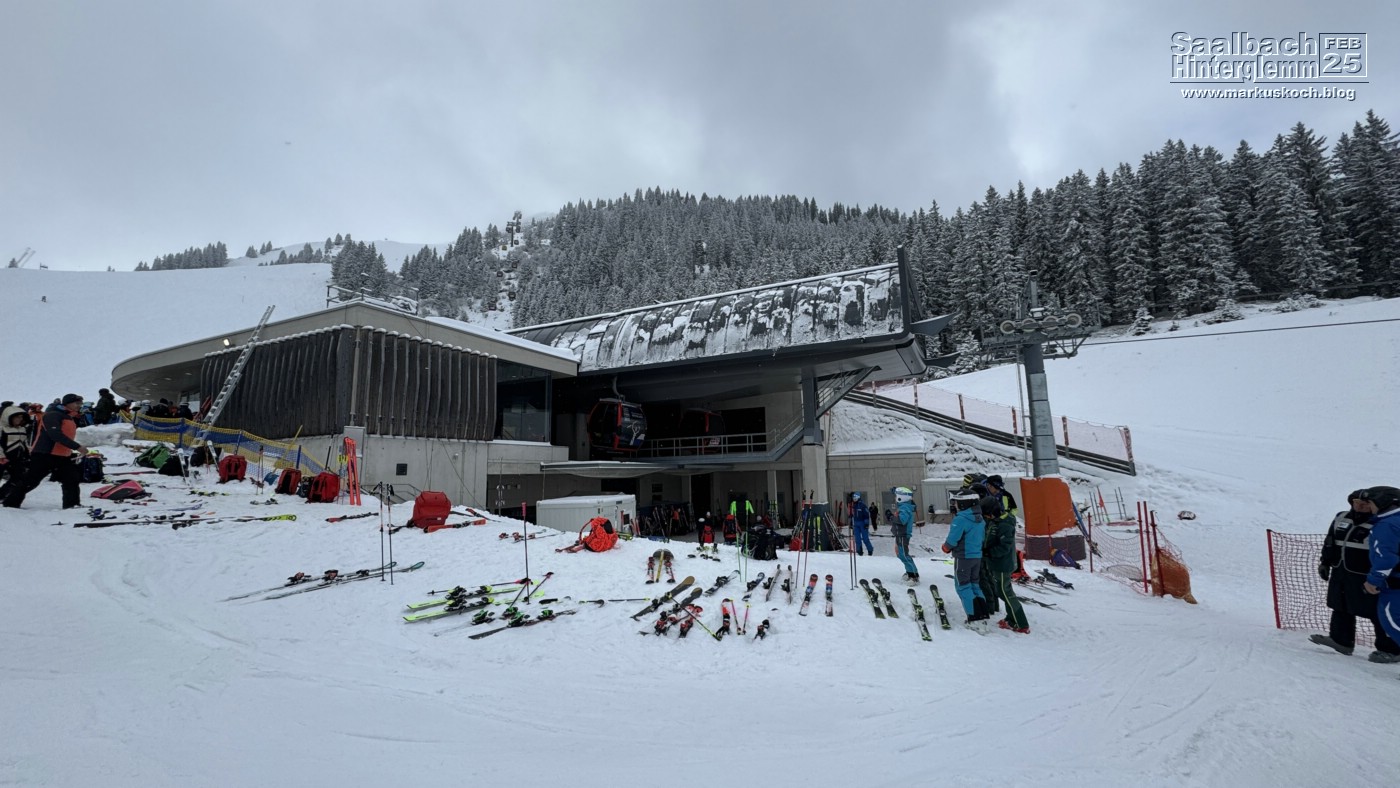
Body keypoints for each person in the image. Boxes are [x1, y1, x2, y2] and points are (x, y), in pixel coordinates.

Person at [1311, 490, 1399, 661]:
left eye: (1365, 504)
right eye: (1356, 502)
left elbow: (1385, 552)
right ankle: (1341, 640)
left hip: (1366, 574)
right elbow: (1330, 541)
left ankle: (1390, 649)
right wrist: (1325, 562)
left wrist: (1377, 576)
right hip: (1341, 570)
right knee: (1340, 604)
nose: (1360, 506)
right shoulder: (1341, 518)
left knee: (1376, 611)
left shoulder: (1379, 523)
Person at [2, 394, 89, 510]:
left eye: (80, 403)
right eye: (77, 403)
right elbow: (55, 434)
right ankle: (10, 502)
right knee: (31, 480)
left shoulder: (68, 416)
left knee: (71, 478)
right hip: (44, 454)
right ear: (67, 403)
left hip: (62, 455)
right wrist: (77, 447)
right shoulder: (53, 415)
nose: (79, 406)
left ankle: (72, 505)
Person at [982, 495, 1029, 634]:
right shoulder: (996, 521)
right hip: (996, 563)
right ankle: (1011, 618)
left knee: (1005, 593)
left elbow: (1004, 547)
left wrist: (988, 552)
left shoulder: (1005, 525)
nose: (986, 517)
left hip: (1003, 564)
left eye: (987, 514)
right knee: (1002, 592)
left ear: (993, 512)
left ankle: (1021, 623)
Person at [943, 489, 989, 628]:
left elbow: (953, 539)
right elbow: (982, 538)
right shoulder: (980, 519)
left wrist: (946, 547)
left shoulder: (961, 519)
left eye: (957, 502)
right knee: (974, 585)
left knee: (962, 586)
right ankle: (982, 615)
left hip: (963, 557)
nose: (955, 505)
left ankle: (974, 618)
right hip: (976, 557)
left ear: (964, 504)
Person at [1363, 486, 1400, 654]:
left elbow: (1386, 557)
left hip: (1395, 584)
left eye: (1371, 503)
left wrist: (1373, 580)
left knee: (1392, 620)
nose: (1369, 508)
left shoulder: (1387, 525)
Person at [0, 404, 32, 489]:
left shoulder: (22, 429)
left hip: (16, 459)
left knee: (18, 479)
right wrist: (1, 456)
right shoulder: (2, 428)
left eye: (21, 417)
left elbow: (24, 443)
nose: (20, 419)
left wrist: (28, 454)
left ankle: (3, 494)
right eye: (17, 417)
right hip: (2, 458)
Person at [892, 486, 919, 582]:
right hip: (900, 534)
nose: (895, 498)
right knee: (900, 554)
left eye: (896, 496)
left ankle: (913, 575)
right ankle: (910, 571)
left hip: (903, 535)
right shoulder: (903, 506)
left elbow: (902, 520)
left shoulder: (905, 508)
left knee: (904, 555)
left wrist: (891, 517)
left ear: (901, 498)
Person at [851, 492, 874, 556]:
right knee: (857, 538)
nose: (854, 499)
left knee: (865, 538)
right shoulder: (854, 506)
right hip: (856, 524)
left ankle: (870, 550)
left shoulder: (863, 505)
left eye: (855, 498)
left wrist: (866, 523)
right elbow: (852, 515)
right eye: (853, 498)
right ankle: (859, 551)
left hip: (862, 523)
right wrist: (851, 523)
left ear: (858, 498)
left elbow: (866, 515)